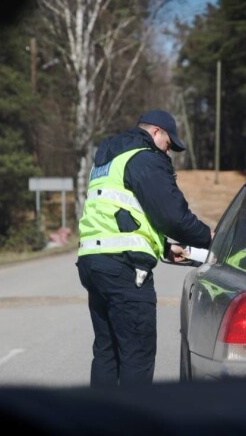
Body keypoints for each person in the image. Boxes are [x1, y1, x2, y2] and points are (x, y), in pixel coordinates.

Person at [76, 109, 212, 388]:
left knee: (107, 352)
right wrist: (209, 238)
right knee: (137, 354)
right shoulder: (144, 158)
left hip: (94, 264)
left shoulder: (108, 159)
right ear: (156, 132)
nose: (168, 152)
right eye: (168, 144)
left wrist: (163, 246)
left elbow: (123, 214)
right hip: (124, 269)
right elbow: (172, 216)